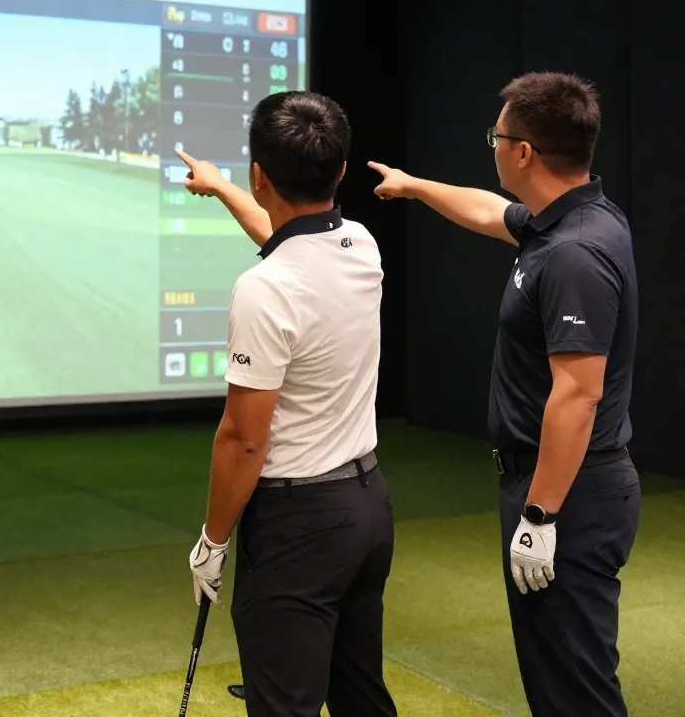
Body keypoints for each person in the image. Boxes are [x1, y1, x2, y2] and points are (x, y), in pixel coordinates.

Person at [368, 71, 640, 716]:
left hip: (569, 495)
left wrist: (542, 517)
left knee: (577, 690)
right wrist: (413, 187)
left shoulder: (574, 252)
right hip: (561, 486)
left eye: (497, 135)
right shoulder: (569, 218)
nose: (490, 146)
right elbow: (489, 210)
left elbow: (578, 394)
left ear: (523, 152)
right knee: (558, 681)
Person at [181, 90, 398, 717]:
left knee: (284, 707)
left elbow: (243, 438)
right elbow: (289, 241)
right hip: (367, 510)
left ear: (261, 173)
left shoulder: (263, 289)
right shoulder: (361, 245)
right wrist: (224, 189)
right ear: (339, 169)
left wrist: (213, 540)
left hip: (298, 527)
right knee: (360, 698)